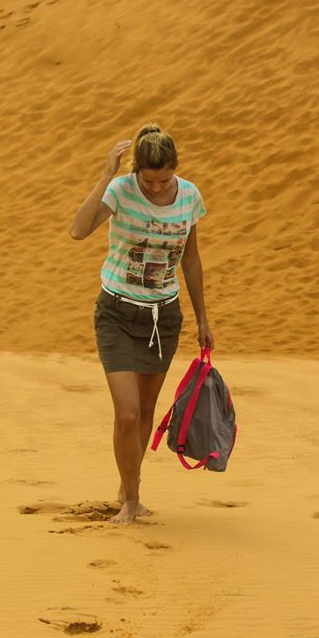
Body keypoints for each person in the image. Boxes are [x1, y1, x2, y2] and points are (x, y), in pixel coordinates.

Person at [70, 123, 214, 525]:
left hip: (163, 317)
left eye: (163, 180)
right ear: (136, 172)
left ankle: (129, 485)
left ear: (175, 170)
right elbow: (78, 231)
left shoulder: (189, 196)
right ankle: (130, 501)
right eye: (147, 180)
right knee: (128, 414)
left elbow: (191, 258)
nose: (154, 188)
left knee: (147, 411)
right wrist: (106, 175)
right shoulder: (121, 190)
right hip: (116, 311)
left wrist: (203, 317)